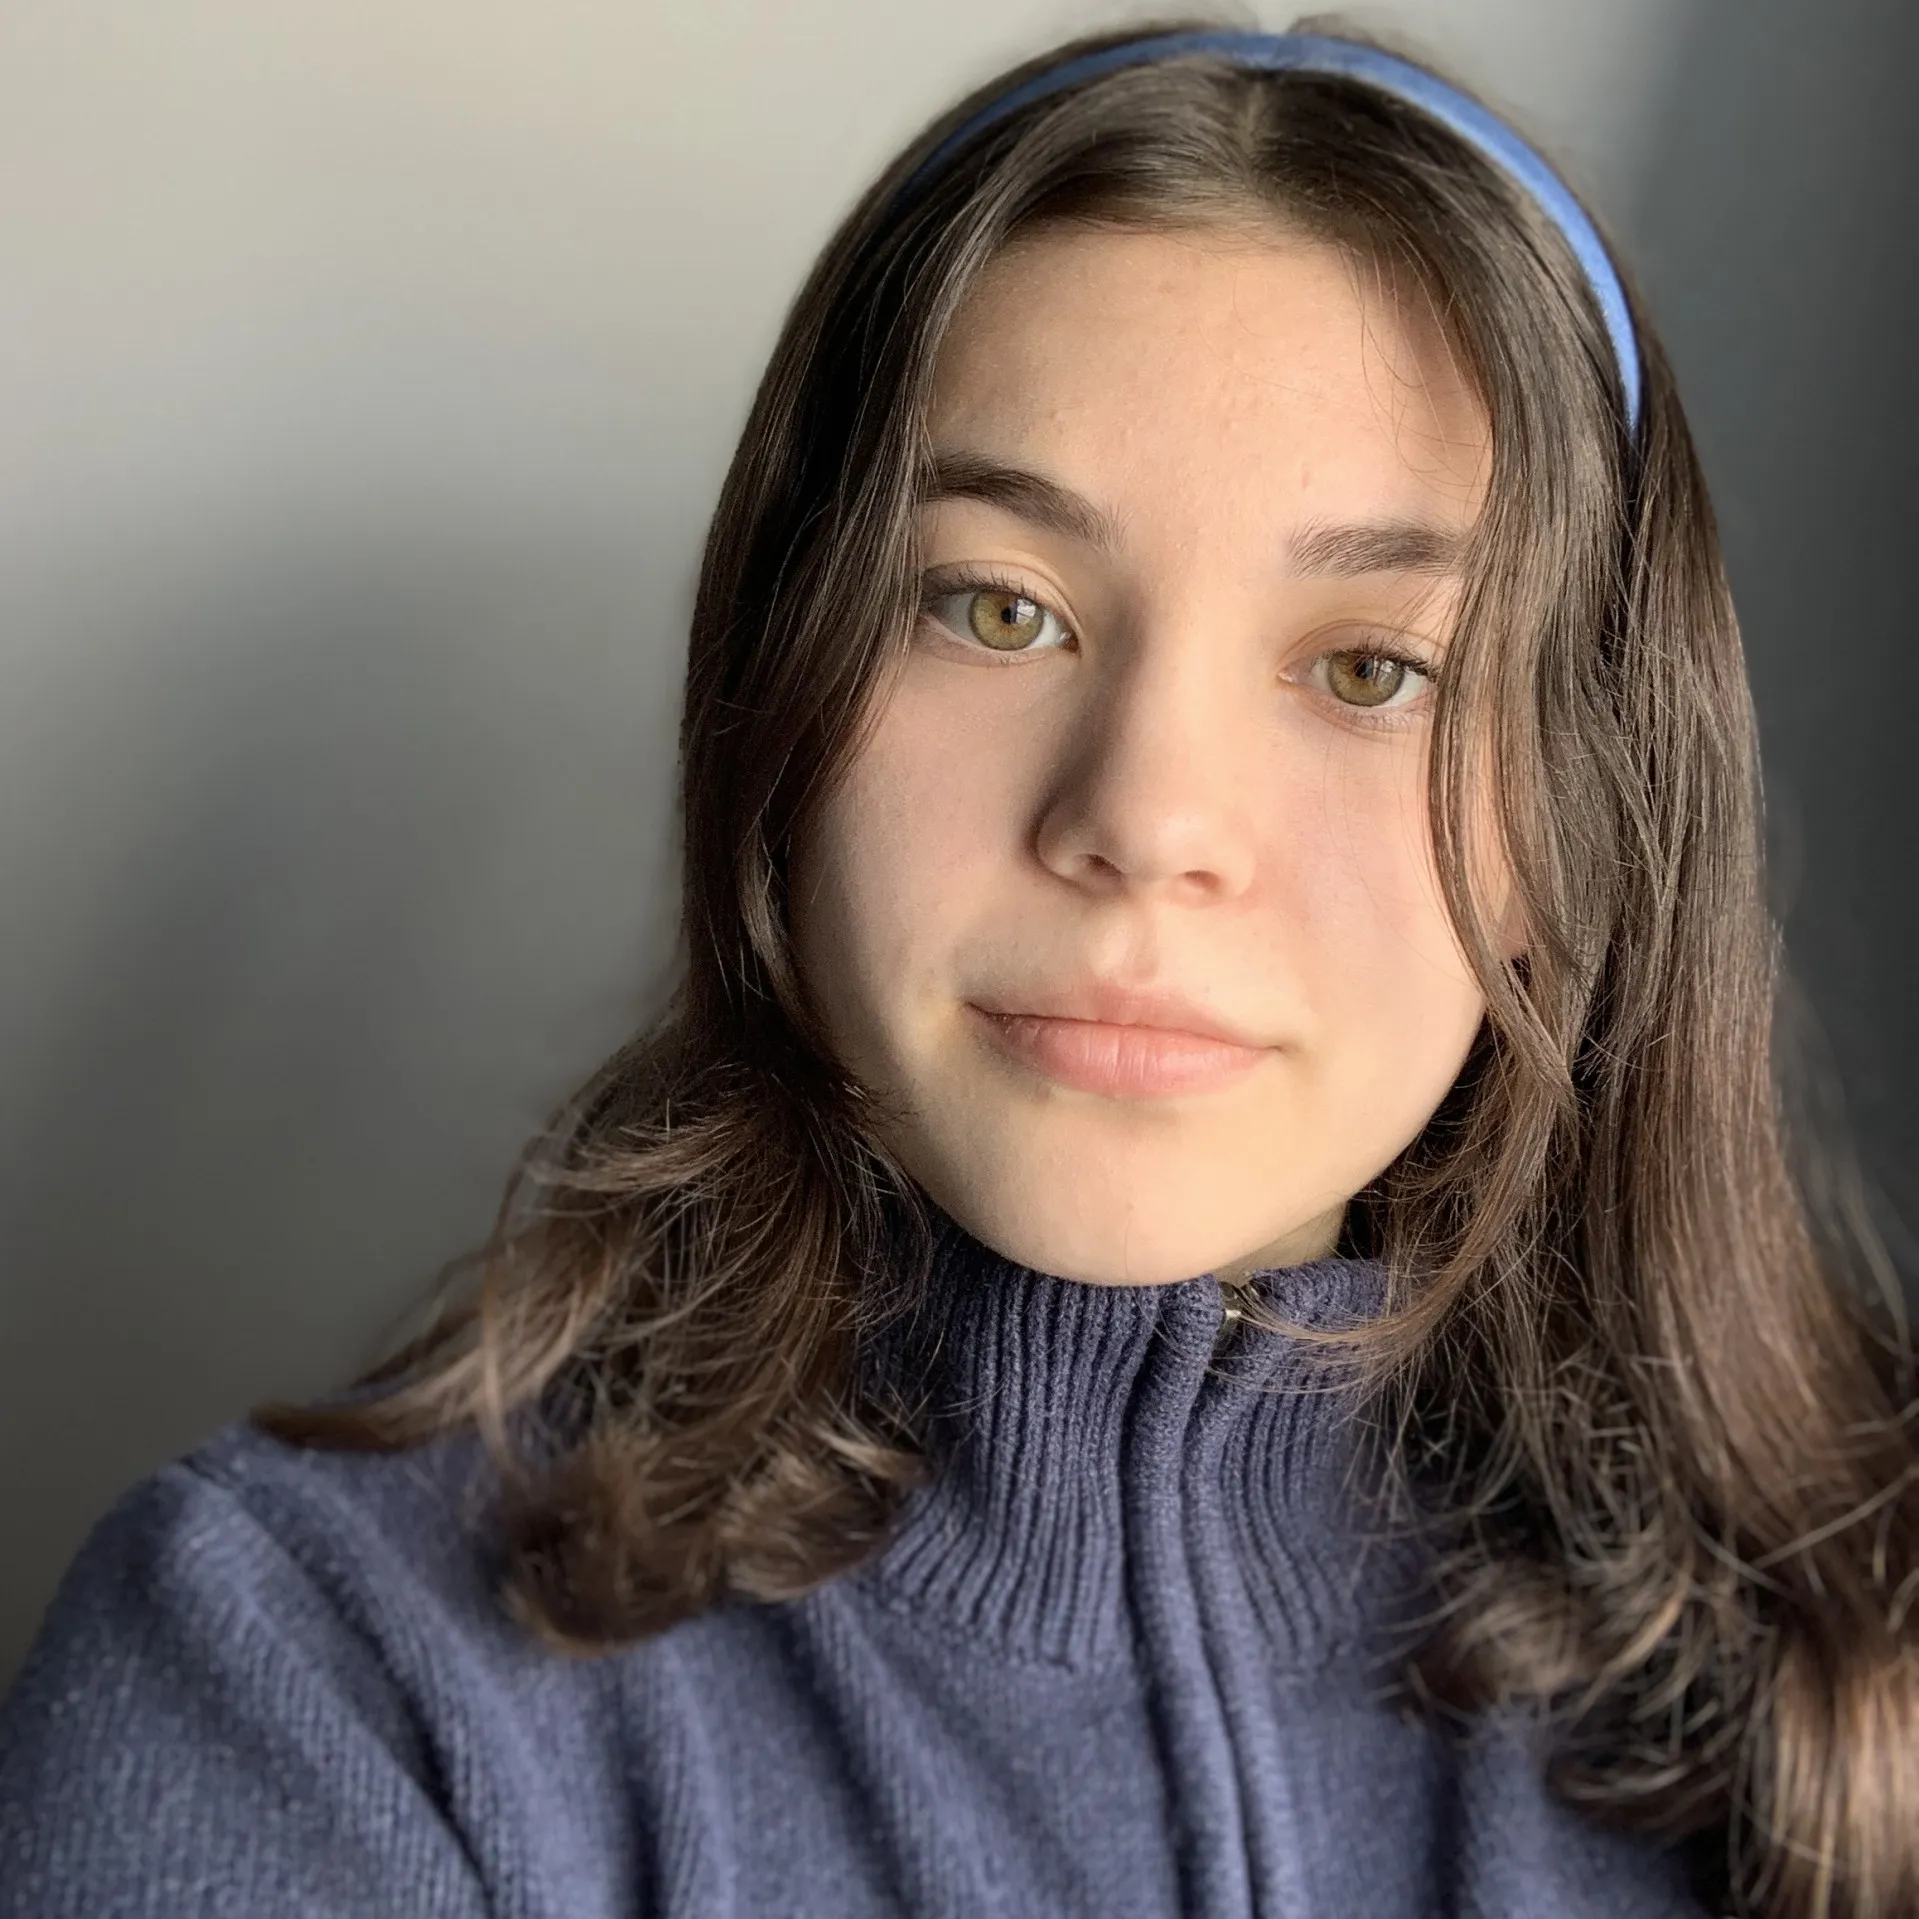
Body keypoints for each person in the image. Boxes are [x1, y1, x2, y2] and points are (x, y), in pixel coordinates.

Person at [1, 17, 1911, 1918]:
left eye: (1371, 668)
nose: (1146, 818)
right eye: (1000, 609)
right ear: (778, 701)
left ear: (1590, 815)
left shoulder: (1850, 1692)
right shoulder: (312, 1678)